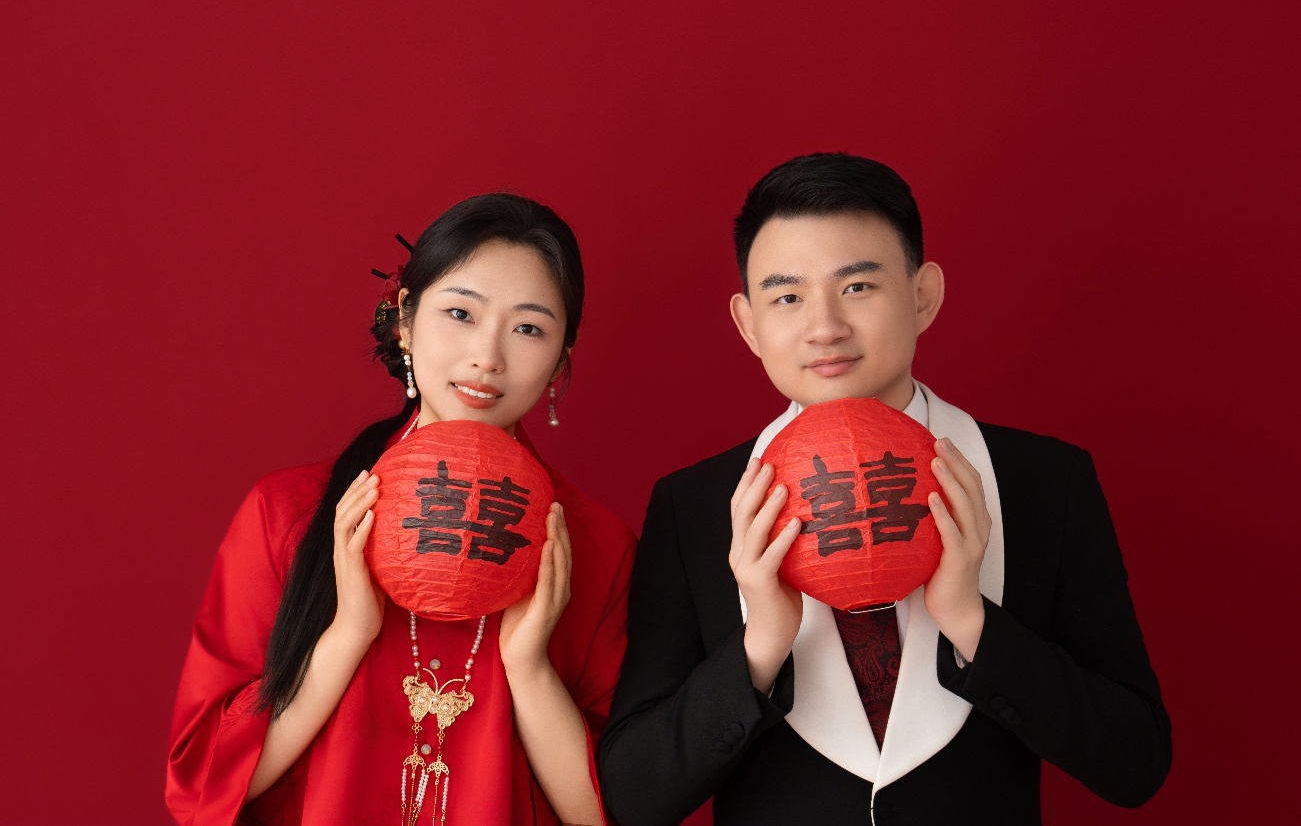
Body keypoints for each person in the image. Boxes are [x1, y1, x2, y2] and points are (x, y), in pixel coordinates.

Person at [598, 153, 1171, 825]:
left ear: (922, 294)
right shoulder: (694, 505)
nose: (825, 328)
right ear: (748, 323)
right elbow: (633, 796)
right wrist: (758, 648)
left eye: (858, 286)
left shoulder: (1045, 481)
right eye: (787, 297)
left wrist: (974, 624)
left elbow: (1135, 760)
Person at [167, 193, 636, 826]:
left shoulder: (595, 547)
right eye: (460, 313)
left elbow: (612, 813)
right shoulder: (288, 513)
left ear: (561, 359)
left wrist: (529, 669)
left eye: (529, 328)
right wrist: (347, 635)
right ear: (405, 322)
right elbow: (202, 783)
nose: (488, 356)